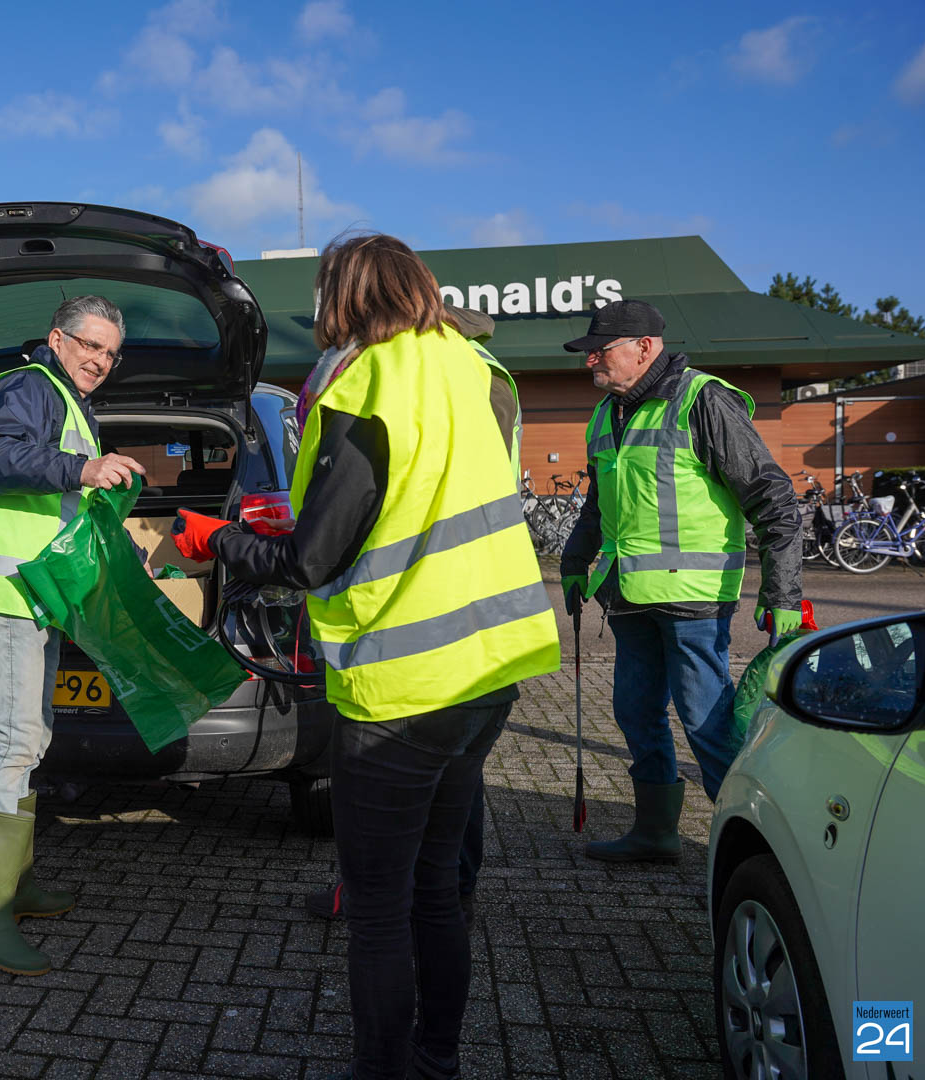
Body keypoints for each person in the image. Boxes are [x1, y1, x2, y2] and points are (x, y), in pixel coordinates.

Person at [173, 235, 559, 1080]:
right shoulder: (473, 369)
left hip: (402, 689)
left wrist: (219, 540)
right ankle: (437, 1059)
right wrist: (298, 520)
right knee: (436, 890)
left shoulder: (366, 380)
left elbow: (312, 562)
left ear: (343, 297)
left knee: (379, 910)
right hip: (489, 671)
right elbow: (415, 503)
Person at [0, 294, 144, 977]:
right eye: (91, 346)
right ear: (57, 339)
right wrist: (84, 468)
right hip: (4, 592)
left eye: (111, 353)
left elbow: (64, 508)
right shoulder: (28, 386)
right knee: (13, 743)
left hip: (32, 594)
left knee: (32, 738)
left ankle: (16, 886)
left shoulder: (67, 402)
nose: (101, 361)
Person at [559, 300, 801, 861]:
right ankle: (656, 834)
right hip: (627, 594)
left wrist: (784, 591)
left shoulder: (703, 400)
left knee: (706, 723)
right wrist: (575, 562)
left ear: (644, 347)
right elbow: (598, 503)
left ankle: (756, 856)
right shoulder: (606, 414)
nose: (590, 361)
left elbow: (773, 498)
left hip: (694, 599)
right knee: (634, 713)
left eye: (601, 351)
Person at [303, 303, 518, 931]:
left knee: (427, 772)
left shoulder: (414, 370)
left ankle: (421, 891)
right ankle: (445, 893)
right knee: (455, 766)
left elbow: (406, 484)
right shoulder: (476, 367)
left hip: (425, 592)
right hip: (471, 587)